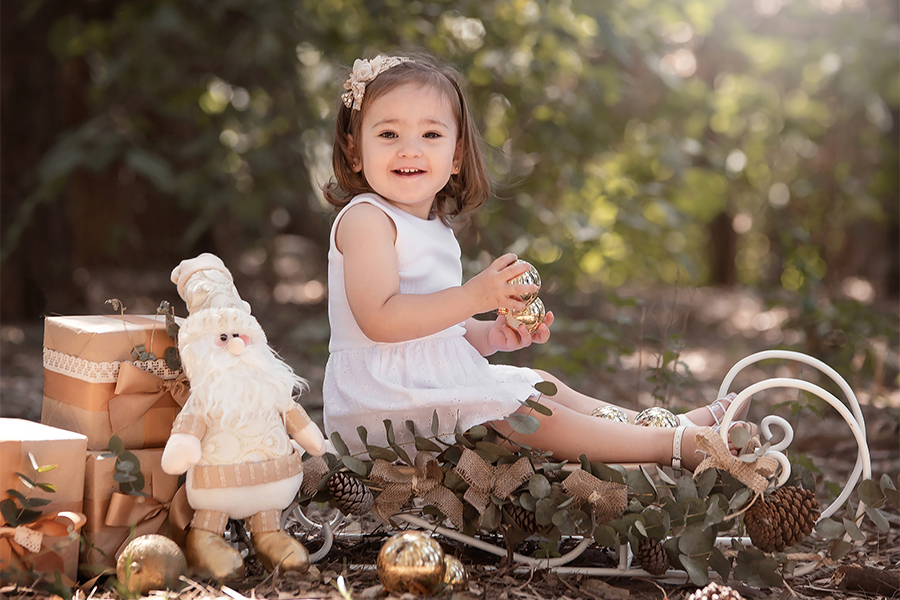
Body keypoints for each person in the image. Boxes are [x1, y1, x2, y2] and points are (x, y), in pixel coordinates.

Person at [321, 53, 751, 472]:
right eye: (389, 135)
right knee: (526, 414)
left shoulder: (436, 229)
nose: (409, 150)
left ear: (455, 157)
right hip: (385, 407)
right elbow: (380, 320)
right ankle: (669, 447)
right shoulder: (366, 220)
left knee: (543, 386)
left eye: (431, 135)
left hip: (427, 390)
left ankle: (664, 424)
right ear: (355, 151)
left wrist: (489, 335)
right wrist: (472, 296)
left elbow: (436, 332)